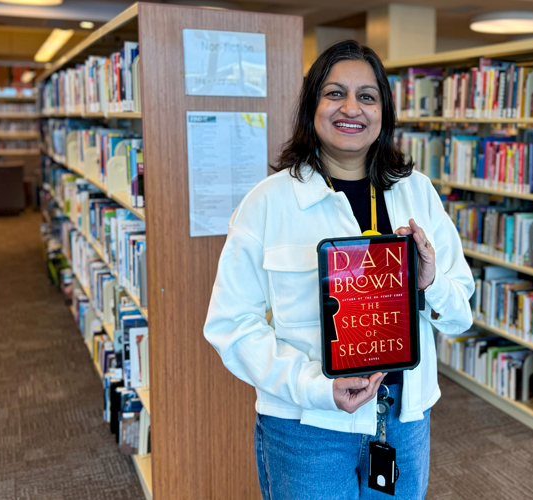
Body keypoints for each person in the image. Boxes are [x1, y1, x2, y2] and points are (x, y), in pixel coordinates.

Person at [203, 40, 475, 500]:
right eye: (335, 94)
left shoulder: (417, 193)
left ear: (384, 112)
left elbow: (460, 314)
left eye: (367, 96)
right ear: (312, 106)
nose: (352, 108)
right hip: (307, 427)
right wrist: (315, 387)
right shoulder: (267, 203)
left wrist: (430, 283)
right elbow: (232, 326)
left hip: (401, 421)